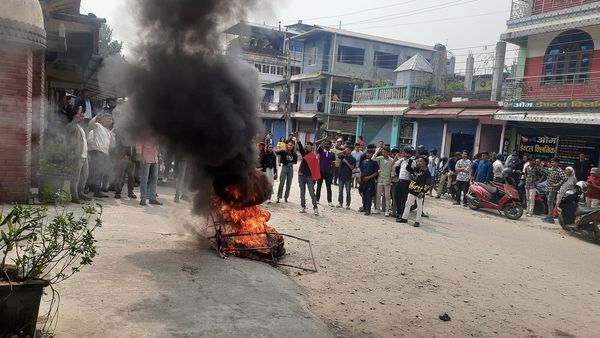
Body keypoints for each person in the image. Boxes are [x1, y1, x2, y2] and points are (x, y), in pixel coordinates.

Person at [397, 156, 432, 227]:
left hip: (419, 192)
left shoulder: (427, 173)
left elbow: (428, 184)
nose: (418, 162)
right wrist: (410, 161)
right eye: (418, 161)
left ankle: (417, 221)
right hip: (412, 189)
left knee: (419, 207)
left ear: (425, 163)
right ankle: (404, 218)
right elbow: (408, 168)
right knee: (407, 204)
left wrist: (422, 192)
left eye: (420, 161)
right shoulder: (417, 169)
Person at [65, 106, 90, 204]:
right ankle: (74, 196)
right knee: (76, 177)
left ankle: (81, 192)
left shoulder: (80, 127)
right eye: (80, 116)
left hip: (84, 155)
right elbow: (68, 129)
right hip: (77, 155)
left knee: (85, 176)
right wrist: (75, 119)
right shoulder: (72, 126)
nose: (82, 117)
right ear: (74, 117)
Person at [87, 113, 114, 198]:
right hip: (97, 152)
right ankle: (93, 190)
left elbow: (110, 145)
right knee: (96, 172)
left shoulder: (108, 131)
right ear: (102, 119)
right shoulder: (98, 126)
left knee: (100, 173)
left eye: (110, 118)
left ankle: (96, 190)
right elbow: (90, 124)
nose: (109, 120)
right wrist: (96, 117)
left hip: (104, 153)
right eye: (107, 118)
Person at [297, 141, 320, 215]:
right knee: (302, 192)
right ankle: (302, 207)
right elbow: (300, 149)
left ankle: (315, 208)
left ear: (312, 147)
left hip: (309, 177)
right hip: (301, 175)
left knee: (312, 193)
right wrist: (299, 143)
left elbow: (315, 168)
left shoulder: (314, 156)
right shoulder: (304, 153)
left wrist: (315, 179)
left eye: (309, 145)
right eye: (307, 145)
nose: (307, 146)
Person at [137, 139, 162, 206]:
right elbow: (139, 144)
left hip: (155, 159)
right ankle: (143, 199)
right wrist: (141, 157)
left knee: (154, 180)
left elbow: (158, 146)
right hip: (146, 159)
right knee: (144, 180)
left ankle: (152, 199)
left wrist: (160, 156)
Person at [113, 130, 137, 200]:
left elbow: (135, 150)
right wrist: (122, 156)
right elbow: (117, 148)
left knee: (132, 177)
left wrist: (134, 158)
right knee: (121, 177)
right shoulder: (121, 137)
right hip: (122, 159)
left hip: (132, 160)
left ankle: (130, 192)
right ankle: (118, 192)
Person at [394, 148, 415, 222]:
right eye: (403, 153)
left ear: (409, 154)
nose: (403, 154)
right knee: (397, 198)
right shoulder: (402, 160)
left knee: (404, 199)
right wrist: (396, 157)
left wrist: (409, 162)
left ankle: (402, 215)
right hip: (399, 181)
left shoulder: (412, 162)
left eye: (404, 153)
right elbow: (394, 164)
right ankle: (399, 212)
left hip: (407, 182)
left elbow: (412, 172)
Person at [543, 157, 566, 224]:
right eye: (551, 162)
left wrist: (557, 184)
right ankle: (549, 216)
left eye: (553, 162)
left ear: (557, 163)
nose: (552, 163)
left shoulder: (559, 170)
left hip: (553, 189)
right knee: (548, 202)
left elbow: (564, 178)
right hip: (547, 187)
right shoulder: (550, 169)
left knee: (550, 202)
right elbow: (545, 173)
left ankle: (551, 218)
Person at [373, 147, 395, 216]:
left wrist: (390, 180)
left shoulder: (391, 160)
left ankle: (387, 211)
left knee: (387, 196)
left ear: (389, 153)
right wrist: (377, 151)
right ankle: (377, 209)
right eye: (383, 152)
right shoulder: (380, 158)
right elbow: (373, 159)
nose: (383, 153)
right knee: (378, 195)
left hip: (387, 180)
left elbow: (393, 172)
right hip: (380, 179)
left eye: (385, 152)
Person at [359, 150, 379, 215]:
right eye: (367, 153)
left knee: (368, 195)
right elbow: (361, 171)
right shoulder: (363, 162)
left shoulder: (374, 163)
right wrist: (359, 178)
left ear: (372, 154)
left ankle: (368, 210)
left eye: (370, 153)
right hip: (363, 180)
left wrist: (369, 177)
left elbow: (376, 173)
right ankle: (364, 207)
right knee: (363, 194)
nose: (368, 155)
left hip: (370, 181)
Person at [316, 140, 335, 207]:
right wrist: (323, 139)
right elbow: (316, 143)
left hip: (328, 173)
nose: (326, 145)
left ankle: (329, 201)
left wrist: (332, 173)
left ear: (330, 146)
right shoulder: (321, 151)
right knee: (319, 186)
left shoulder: (332, 154)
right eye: (325, 144)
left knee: (329, 187)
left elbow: (333, 164)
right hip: (321, 172)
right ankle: (317, 200)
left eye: (327, 144)